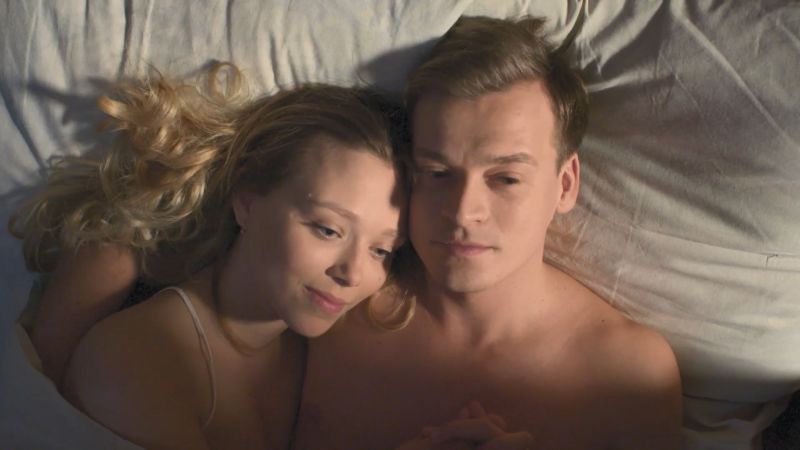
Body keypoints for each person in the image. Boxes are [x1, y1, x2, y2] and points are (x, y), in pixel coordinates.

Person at [289, 16, 683, 450]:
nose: (463, 212)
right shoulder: (332, 312)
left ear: (566, 185)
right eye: (437, 172)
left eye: (506, 178)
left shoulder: (629, 376)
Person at [10, 64, 409, 449]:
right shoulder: (136, 359)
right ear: (247, 201)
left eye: (382, 250)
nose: (353, 274)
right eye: (328, 229)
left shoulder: (324, 351)